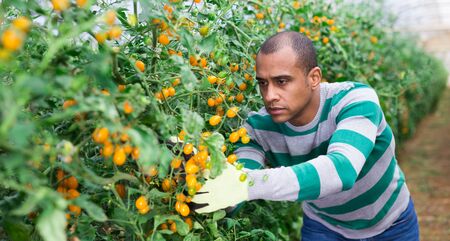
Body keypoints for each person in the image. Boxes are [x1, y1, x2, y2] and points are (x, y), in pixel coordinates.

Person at [192, 31, 419, 240]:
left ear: (314, 78)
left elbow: (342, 170)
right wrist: (199, 180)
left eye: (282, 81)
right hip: (325, 228)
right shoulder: (258, 129)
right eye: (263, 83)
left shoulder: (355, 101)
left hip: (393, 224)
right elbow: (240, 178)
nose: (270, 95)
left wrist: (243, 185)